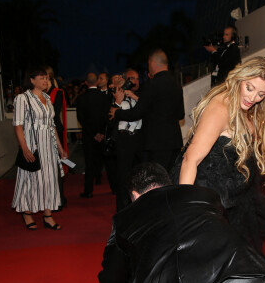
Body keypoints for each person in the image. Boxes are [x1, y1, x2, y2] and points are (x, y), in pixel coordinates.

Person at [98, 162, 265, 283]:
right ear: (168, 184)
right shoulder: (205, 195)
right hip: (251, 276)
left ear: (134, 195)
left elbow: (112, 280)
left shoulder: (126, 218)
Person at [179, 56, 265, 254]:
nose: (253, 98)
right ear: (239, 79)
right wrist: (185, 211)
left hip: (238, 198)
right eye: (249, 88)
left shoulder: (247, 108)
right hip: (214, 200)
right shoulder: (221, 108)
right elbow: (191, 159)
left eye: (261, 94)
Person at [110, 49, 184, 172]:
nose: (148, 67)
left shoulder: (152, 84)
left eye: (148, 64)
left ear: (153, 63)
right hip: (174, 141)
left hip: (156, 143)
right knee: (171, 178)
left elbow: (137, 113)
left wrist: (117, 112)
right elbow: (180, 114)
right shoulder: (176, 83)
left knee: (157, 179)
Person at [12, 68, 66, 230]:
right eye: (42, 78)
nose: (46, 81)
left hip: (49, 146)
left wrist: (60, 147)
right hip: (32, 145)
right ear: (32, 80)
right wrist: (24, 148)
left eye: (47, 78)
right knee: (30, 180)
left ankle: (48, 215)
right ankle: (27, 212)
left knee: (49, 180)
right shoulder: (23, 98)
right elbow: (18, 125)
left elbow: (52, 125)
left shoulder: (48, 98)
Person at [113, 69, 143, 211]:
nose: (134, 81)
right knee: (123, 178)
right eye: (131, 78)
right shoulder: (115, 94)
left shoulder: (141, 96)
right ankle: (123, 211)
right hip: (124, 140)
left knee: (139, 178)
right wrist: (118, 101)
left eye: (136, 78)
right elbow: (110, 117)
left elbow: (146, 110)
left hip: (139, 139)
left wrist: (135, 97)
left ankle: (138, 208)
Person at [77, 72, 108, 198]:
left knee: (89, 162)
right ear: (96, 82)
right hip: (102, 135)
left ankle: (88, 190)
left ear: (86, 83)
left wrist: (94, 133)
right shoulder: (105, 97)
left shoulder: (81, 98)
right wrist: (101, 132)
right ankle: (110, 186)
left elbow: (81, 119)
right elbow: (107, 116)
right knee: (104, 159)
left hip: (89, 136)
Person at [44, 65, 68, 209]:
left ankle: (58, 199)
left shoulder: (57, 92)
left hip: (54, 132)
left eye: (45, 77)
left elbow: (55, 113)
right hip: (42, 133)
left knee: (55, 167)